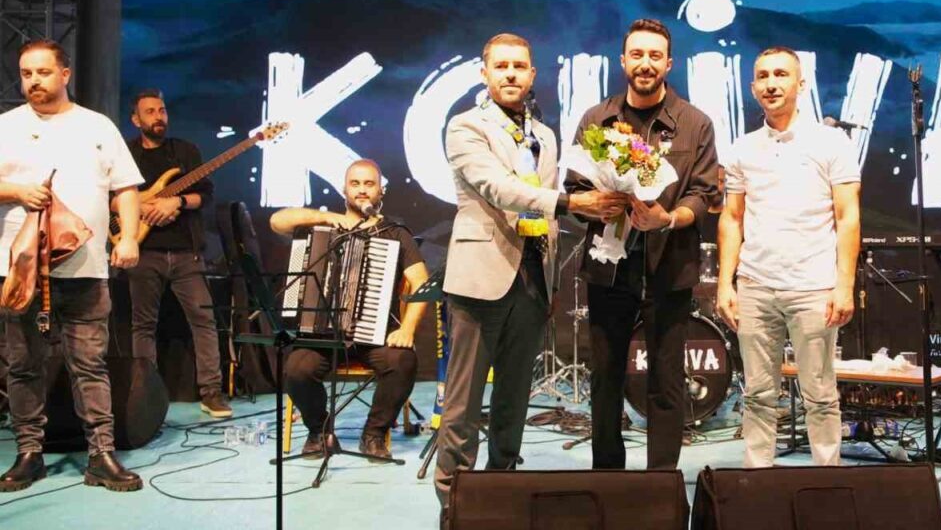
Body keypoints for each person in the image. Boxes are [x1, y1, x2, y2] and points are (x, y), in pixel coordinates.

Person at [434, 33, 627, 516]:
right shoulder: (465, 126)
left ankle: (500, 494)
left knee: (514, 399)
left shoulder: (545, 135)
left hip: (532, 278)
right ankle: (454, 506)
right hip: (480, 277)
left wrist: (553, 278)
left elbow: (545, 209)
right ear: (484, 73)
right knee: (462, 404)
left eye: (519, 66)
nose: (510, 74)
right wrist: (569, 202)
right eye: (501, 66)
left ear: (532, 74)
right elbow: (496, 187)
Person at [565, 18, 720, 470]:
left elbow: (703, 195)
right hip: (608, 268)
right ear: (623, 61)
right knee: (605, 377)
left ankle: (662, 482)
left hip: (670, 267)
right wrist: (597, 206)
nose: (645, 64)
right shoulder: (596, 120)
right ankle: (608, 480)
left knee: (667, 381)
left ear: (669, 63)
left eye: (655, 56)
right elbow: (574, 190)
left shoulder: (696, 123)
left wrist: (667, 218)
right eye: (637, 55)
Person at [0, 39, 145, 492]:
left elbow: (126, 189)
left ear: (65, 74)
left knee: (90, 364)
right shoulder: (6, 126)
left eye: (43, 72)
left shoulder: (96, 126)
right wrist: (17, 191)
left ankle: (101, 455)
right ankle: (29, 453)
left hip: (86, 267)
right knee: (23, 365)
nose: (33, 81)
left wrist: (127, 237)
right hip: (21, 270)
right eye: (26, 73)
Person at [716, 47, 859, 467]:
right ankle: (758, 477)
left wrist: (844, 285)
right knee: (758, 395)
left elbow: (848, 217)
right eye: (763, 76)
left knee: (820, 394)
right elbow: (731, 218)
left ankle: (827, 480)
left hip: (813, 287)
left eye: (781, 74)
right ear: (753, 87)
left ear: (801, 83)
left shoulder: (831, 142)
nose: (771, 84)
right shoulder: (742, 148)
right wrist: (726, 283)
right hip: (756, 286)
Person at [269, 159, 427, 461]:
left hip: (374, 335)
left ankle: (374, 434)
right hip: (322, 336)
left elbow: (421, 282)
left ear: (381, 191)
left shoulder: (395, 233)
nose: (362, 190)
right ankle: (320, 431)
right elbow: (277, 221)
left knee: (403, 361)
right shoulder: (322, 226)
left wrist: (407, 329)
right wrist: (326, 218)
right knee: (297, 369)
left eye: (369, 184)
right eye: (355, 184)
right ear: (344, 189)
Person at [123, 89, 231, 418]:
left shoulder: (185, 151)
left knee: (204, 321)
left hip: (187, 253)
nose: (158, 117)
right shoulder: (126, 154)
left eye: (162, 110)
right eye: (150, 112)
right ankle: (145, 395)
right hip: (143, 251)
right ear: (135, 119)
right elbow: (112, 197)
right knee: (143, 325)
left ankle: (211, 393)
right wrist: (143, 206)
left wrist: (178, 202)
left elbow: (205, 195)